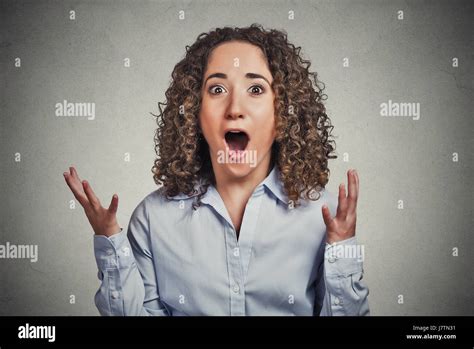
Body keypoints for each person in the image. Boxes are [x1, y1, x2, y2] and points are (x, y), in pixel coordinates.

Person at [63, 24, 369, 316]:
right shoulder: (153, 219)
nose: (235, 107)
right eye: (218, 89)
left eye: (256, 89)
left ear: (283, 117)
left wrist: (342, 252)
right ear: (194, 114)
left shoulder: (323, 215)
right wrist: (110, 245)